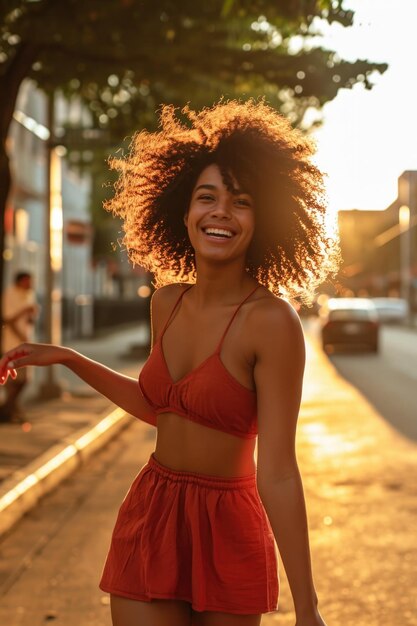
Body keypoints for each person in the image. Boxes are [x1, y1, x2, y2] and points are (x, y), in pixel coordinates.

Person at [0, 100, 338, 625]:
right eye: (207, 196)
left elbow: (278, 472)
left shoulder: (271, 322)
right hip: (154, 509)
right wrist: (69, 358)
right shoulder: (167, 301)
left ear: (263, 219)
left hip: (227, 524)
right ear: (183, 211)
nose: (221, 211)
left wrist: (308, 608)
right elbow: (161, 407)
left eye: (241, 201)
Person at [0, 271, 38, 422]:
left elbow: (28, 320)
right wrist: (25, 311)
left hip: (26, 343)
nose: (31, 285)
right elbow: (8, 319)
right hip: (12, 344)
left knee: (24, 380)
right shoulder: (10, 294)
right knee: (13, 381)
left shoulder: (29, 294)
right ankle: (10, 412)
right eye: (28, 281)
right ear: (21, 281)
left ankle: (8, 410)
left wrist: (32, 314)